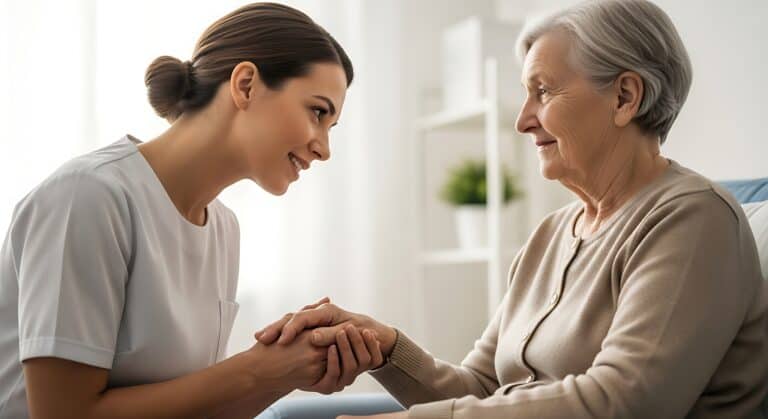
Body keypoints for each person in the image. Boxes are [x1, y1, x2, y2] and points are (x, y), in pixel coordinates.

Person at [256, 0, 768, 418]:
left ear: (625, 97)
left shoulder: (693, 220)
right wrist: (385, 347)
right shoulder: (551, 235)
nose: (523, 120)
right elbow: (481, 388)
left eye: (543, 91)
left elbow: (627, 402)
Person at [0, 3, 384, 418]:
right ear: (246, 85)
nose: (324, 149)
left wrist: (286, 371)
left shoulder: (223, 228)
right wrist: (258, 369)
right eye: (317, 112)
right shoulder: (88, 197)